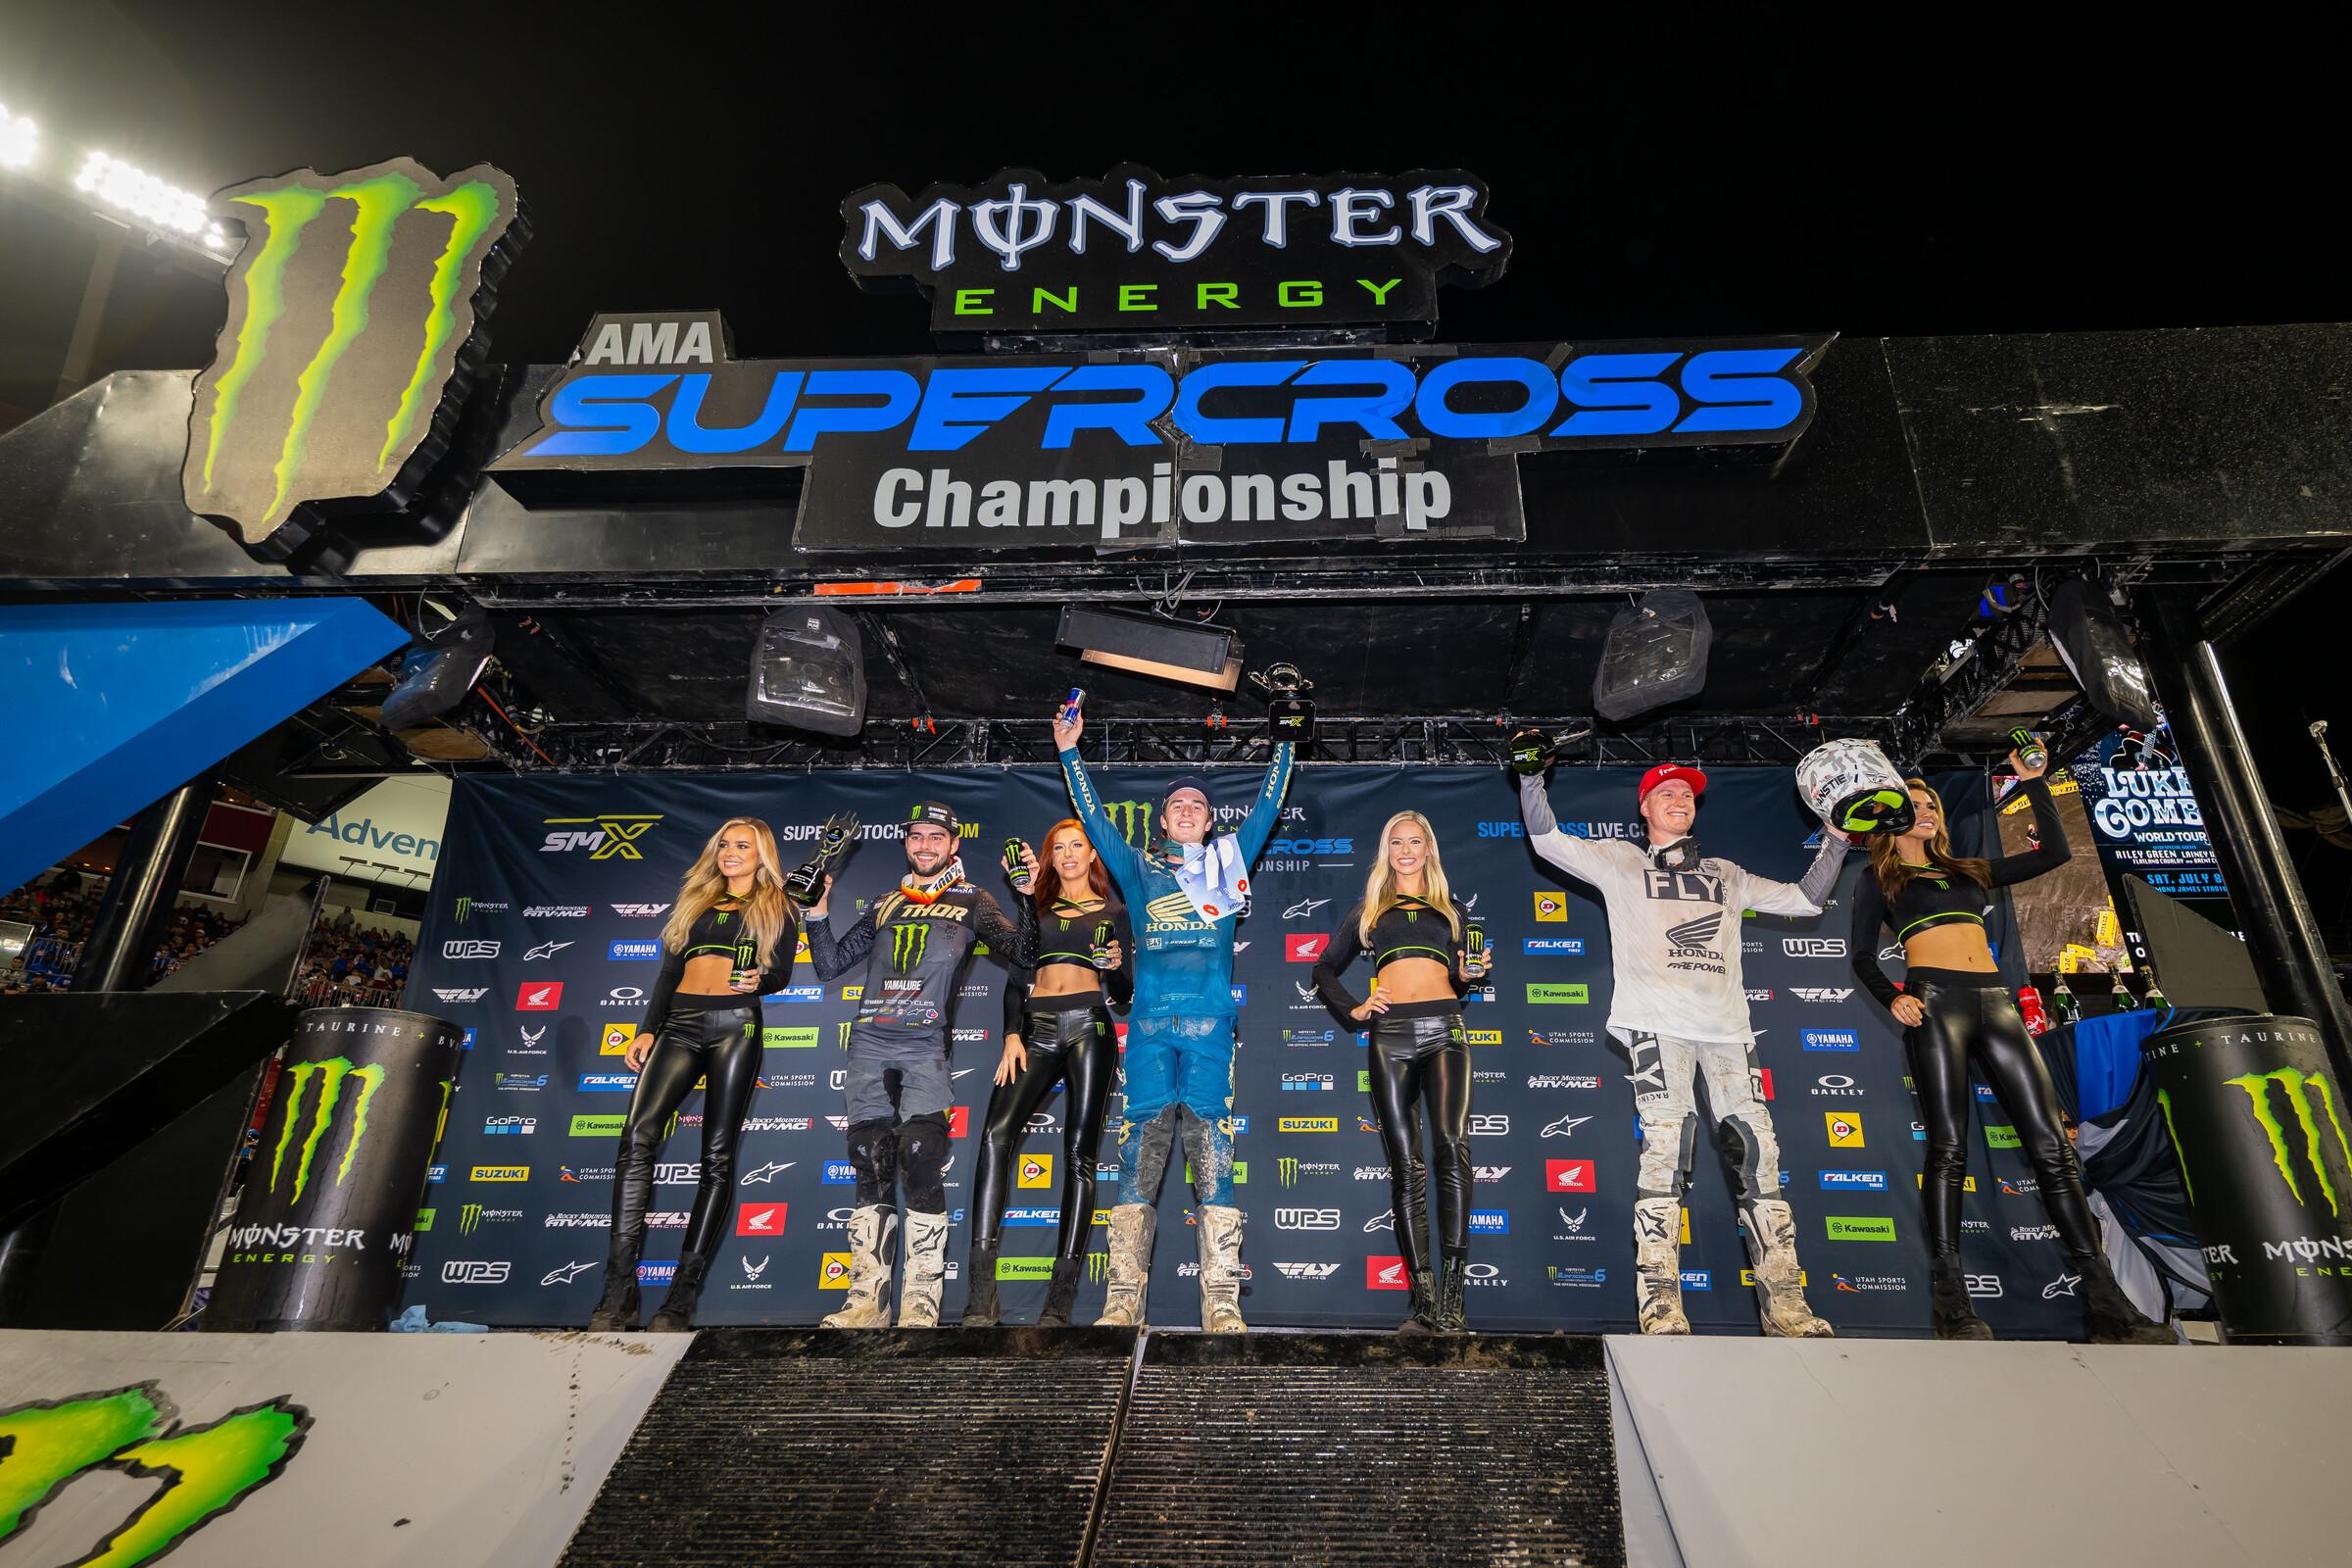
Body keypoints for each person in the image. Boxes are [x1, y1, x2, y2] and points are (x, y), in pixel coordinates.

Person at [1517, 748, 1849, 1337]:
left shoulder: (1726, 873)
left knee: (1759, 1154)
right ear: (1644, 806)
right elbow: (1546, 840)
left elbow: (1804, 900)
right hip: (1655, 1022)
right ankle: (1661, 1303)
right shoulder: (1619, 862)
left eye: (1688, 796)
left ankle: (1787, 1305)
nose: (1679, 801)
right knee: (1667, 1147)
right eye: (1666, 793)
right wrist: (1529, 777)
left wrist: (1838, 840)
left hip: (1727, 1030)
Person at [1850, 755, 2175, 1344]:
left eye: (1932, 806)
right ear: (1891, 821)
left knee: (2053, 1147)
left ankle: (2107, 1306)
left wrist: (2033, 783)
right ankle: (1953, 1306)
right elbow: (1860, 957)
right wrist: (1891, 996)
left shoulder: (1970, 871)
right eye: (1914, 806)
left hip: (1996, 1004)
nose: (1925, 812)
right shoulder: (1880, 880)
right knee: (1949, 1148)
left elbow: (2054, 853)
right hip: (1934, 1005)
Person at [1055, 703, 1295, 1333]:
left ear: (1211, 820)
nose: (1187, 810)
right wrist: (1070, 752)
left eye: (1197, 805)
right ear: (1163, 821)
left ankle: (1221, 1305)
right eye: (1177, 805)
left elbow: (1268, 808)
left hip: (1211, 1027)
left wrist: (1287, 743)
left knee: (1213, 1152)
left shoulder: (1227, 862)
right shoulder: (1138, 867)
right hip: (1153, 1030)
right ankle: (1121, 1304)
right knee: (1139, 1158)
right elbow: (1095, 821)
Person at [805, 802, 1038, 1328]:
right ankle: (867, 1301)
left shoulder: (973, 900)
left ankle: (920, 1304)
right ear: (906, 843)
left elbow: (1024, 955)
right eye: (917, 837)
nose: (925, 846)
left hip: (925, 1049)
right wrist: (816, 911)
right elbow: (829, 965)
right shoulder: (886, 902)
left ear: (954, 845)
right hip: (867, 1045)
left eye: (937, 837)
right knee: (868, 1154)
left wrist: (1027, 899)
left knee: (919, 1152)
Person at [589, 817, 796, 1333]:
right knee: (636, 1137)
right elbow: (667, 971)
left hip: (736, 1026)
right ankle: (619, 1288)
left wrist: (761, 978)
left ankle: (682, 1295)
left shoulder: (778, 905)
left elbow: (783, 973)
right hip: (677, 1025)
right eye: (724, 844)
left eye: (743, 845)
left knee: (717, 1158)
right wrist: (645, 1030)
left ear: (761, 853)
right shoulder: (695, 900)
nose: (730, 852)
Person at [1312, 810, 1490, 1334]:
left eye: (1415, 841)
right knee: (1406, 1165)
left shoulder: (1453, 911)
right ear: (1385, 851)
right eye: (1396, 841)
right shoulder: (1369, 910)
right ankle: (1424, 1301)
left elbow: (1462, 983)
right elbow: (1322, 967)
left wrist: (1467, 974)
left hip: (1445, 1030)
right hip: (1389, 1038)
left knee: (1452, 1147)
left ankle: (1454, 1302)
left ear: (1429, 849)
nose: (1406, 850)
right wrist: (1355, 1007)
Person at [963, 819, 1133, 1328]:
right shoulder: (1034, 908)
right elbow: (1018, 976)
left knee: (1080, 1154)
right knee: (995, 1136)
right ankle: (980, 1296)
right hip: (1033, 1031)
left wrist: (1119, 964)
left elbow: (1122, 996)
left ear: (1092, 855)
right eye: (1057, 847)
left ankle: (1059, 1303)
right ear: (1048, 858)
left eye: (1076, 845)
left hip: (1091, 1028)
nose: (1067, 854)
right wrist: (1011, 1036)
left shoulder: (1116, 911)